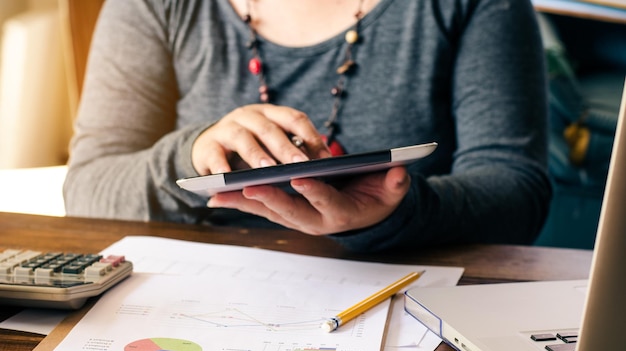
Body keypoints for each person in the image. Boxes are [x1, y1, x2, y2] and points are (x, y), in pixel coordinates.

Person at [63, 0, 552, 253]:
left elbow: (517, 192)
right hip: (194, 311)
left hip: (409, 298)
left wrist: (396, 213)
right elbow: (88, 190)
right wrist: (193, 157)